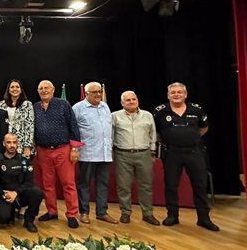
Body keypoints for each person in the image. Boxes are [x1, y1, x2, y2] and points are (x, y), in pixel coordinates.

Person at [154, 82, 219, 231]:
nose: (176, 94)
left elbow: (204, 128)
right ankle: (172, 216)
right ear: (168, 95)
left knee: (200, 186)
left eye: (179, 92)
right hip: (172, 153)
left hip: (194, 152)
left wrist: (190, 139)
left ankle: (204, 218)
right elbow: (156, 132)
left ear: (185, 94)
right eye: (173, 92)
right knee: (171, 185)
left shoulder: (196, 109)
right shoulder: (160, 111)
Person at [33, 80, 81, 229]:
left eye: (46, 88)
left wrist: (74, 149)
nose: (44, 90)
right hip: (43, 151)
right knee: (47, 184)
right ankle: (52, 211)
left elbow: (73, 126)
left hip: (63, 149)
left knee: (68, 183)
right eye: (41, 88)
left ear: (53, 89)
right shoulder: (35, 107)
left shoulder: (63, 104)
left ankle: (72, 214)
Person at [72, 81, 117, 224]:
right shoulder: (78, 108)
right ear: (86, 94)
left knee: (103, 184)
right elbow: (73, 130)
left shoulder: (105, 106)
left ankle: (102, 212)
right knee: (84, 184)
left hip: (105, 153)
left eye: (99, 91)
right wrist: (74, 149)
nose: (98, 94)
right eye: (94, 92)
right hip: (87, 153)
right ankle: (84, 212)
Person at [112, 91, 159, 225]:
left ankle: (148, 214)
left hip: (144, 153)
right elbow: (111, 135)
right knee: (123, 186)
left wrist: (152, 151)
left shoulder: (148, 115)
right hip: (122, 154)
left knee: (146, 185)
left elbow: (152, 134)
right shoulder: (115, 116)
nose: (131, 101)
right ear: (122, 103)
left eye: (134, 99)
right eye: (128, 100)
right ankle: (125, 213)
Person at [0, 133, 44, 232]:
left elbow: (29, 181)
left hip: (20, 194)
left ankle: (29, 220)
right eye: (9, 142)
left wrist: (16, 192)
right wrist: (3, 194)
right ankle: (10, 214)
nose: (12, 145)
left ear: (18, 144)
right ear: (4, 144)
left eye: (14, 142)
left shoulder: (24, 160)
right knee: (2, 218)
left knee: (37, 192)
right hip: (4, 195)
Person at [0, 79, 35, 157]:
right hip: (6, 143)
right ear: (8, 90)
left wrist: (27, 146)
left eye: (17, 87)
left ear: (21, 90)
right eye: (12, 87)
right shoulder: (2, 104)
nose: (15, 89)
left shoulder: (27, 104)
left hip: (21, 143)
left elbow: (29, 126)